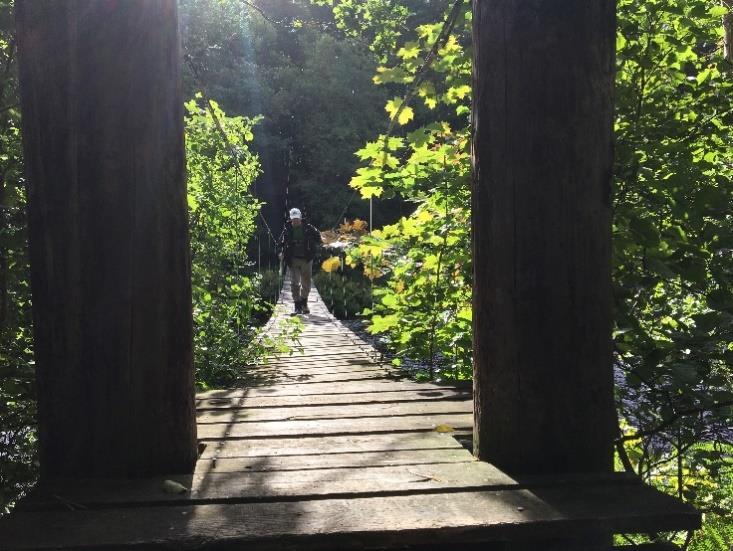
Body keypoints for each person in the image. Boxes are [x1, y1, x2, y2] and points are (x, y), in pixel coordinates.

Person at [278, 207, 322, 314]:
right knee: (294, 283)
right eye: (293, 219)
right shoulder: (287, 229)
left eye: (297, 218)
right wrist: (281, 251)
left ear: (300, 218)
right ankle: (297, 306)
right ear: (290, 219)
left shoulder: (308, 227)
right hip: (292, 260)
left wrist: (323, 239)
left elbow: (318, 237)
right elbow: (281, 242)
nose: (295, 221)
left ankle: (304, 303)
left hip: (306, 259)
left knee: (306, 283)